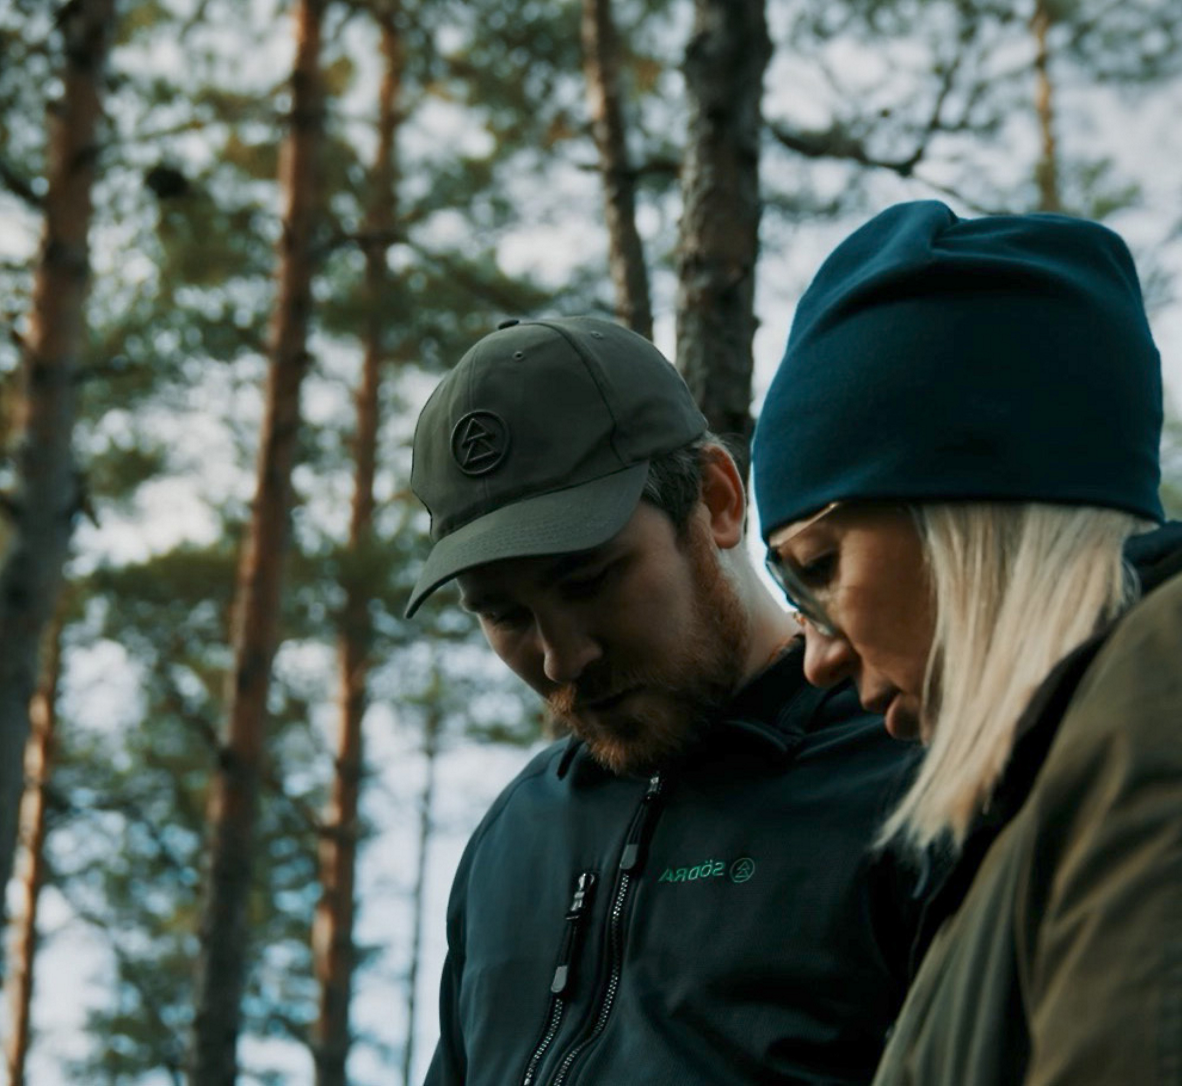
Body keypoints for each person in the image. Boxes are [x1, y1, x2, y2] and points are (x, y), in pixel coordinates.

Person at [406, 316, 929, 1086]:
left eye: (588, 581)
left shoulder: (908, 776)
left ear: (717, 501)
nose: (561, 659)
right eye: (505, 615)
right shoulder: (514, 838)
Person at [751, 200, 1182, 1086]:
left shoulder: (1161, 697)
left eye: (820, 568)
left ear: (965, 521)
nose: (817, 656)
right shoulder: (1029, 815)